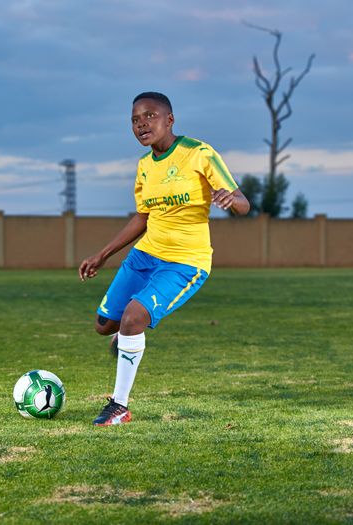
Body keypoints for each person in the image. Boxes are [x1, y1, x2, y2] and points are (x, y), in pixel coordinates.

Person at [78, 92, 250, 426]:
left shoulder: (199, 154)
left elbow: (243, 203)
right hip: (145, 256)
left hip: (186, 261)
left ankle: (119, 406)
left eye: (150, 116)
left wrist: (232, 198)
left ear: (170, 119)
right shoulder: (144, 166)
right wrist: (103, 255)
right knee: (104, 326)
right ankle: (125, 337)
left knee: (132, 318)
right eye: (135, 119)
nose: (142, 124)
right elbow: (142, 218)